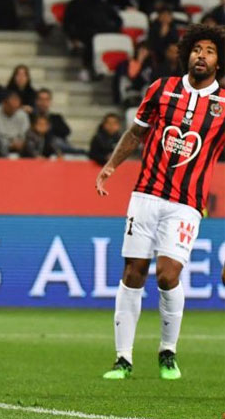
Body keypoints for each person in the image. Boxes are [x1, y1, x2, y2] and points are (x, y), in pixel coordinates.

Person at [96, 24, 225, 382]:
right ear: (187, 54)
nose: (202, 55)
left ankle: (167, 351)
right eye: (197, 48)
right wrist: (111, 165)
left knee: (168, 275)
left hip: (186, 204)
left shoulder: (224, 105)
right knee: (132, 272)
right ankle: (123, 359)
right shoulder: (162, 89)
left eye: (210, 50)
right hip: (145, 195)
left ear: (219, 61)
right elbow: (136, 132)